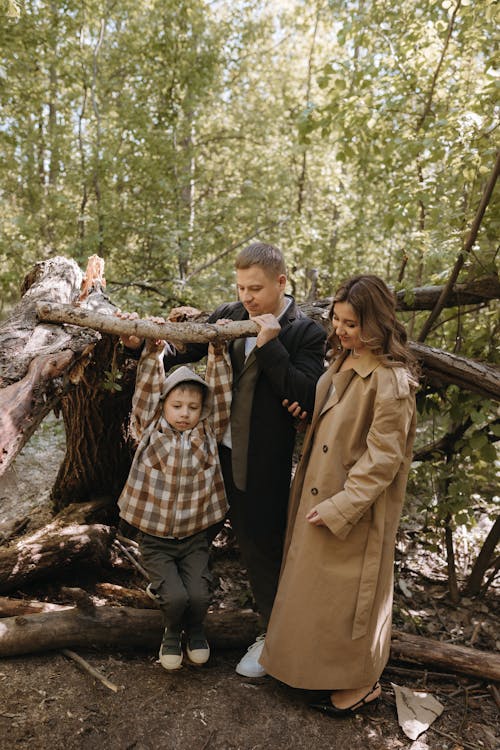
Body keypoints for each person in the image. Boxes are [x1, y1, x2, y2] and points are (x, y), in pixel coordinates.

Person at [120, 242, 326, 677]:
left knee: (261, 548)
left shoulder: (304, 331)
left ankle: (273, 637)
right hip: (205, 458)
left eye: (256, 288)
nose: (247, 296)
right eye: (241, 287)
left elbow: (305, 394)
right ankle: (185, 624)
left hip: (260, 463)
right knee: (191, 539)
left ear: (281, 282)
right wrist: (145, 343)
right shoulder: (228, 315)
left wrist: (271, 347)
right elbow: (182, 354)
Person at [259, 274, 419, 714]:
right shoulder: (344, 360)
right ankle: (305, 670)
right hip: (318, 490)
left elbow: (383, 461)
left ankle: (360, 684)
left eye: (352, 323)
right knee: (314, 592)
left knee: (351, 602)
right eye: (337, 319)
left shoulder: (392, 381)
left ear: (378, 323)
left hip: (352, 508)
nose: (342, 330)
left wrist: (341, 506)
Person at [118, 329, 232, 671]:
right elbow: (145, 393)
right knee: (176, 596)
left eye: (192, 407)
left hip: (194, 537)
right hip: (155, 539)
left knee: (198, 595)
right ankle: (171, 631)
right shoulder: (150, 426)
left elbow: (222, 395)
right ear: (163, 405)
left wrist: (217, 352)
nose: (184, 413)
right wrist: (153, 354)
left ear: (202, 410)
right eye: (177, 405)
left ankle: (195, 629)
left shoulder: (208, 430)